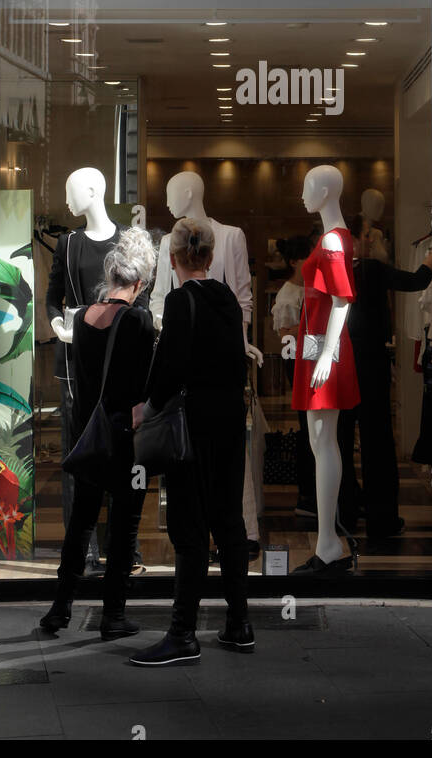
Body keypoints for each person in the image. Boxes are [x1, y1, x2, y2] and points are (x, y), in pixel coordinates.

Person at [129, 218, 252, 668]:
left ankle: (182, 633)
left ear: (174, 258)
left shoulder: (181, 302)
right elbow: (236, 364)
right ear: (210, 254)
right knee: (229, 520)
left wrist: (147, 404)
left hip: (193, 424)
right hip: (228, 422)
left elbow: (169, 368)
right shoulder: (227, 300)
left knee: (189, 526)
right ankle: (239, 623)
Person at [39, 227, 156, 641]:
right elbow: (145, 389)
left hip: (88, 436)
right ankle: (113, 615)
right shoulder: (140, 322)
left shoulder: (84, 319)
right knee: (123, 528)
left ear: (111, 276)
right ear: (139, 282)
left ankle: (59, 609)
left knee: (81, 525)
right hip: (124, 441)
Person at [341, 215, 432, 540]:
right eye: (366, 235)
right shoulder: (372, 270)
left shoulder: (333, 270)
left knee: (339, 440)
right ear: (352, 237)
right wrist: (431, 260)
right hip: (370, 362)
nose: (372, 239)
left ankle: (346, 512)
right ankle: (381, 518)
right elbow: (416, 281)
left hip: (340, 362)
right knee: (377, 439)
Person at [272, 235, 317, 517]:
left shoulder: (306, 290)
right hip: (300, 364)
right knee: (307, 425)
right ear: (294, 262)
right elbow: (286, 337)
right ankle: (307, 494)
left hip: (308, 362)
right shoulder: (289, 295)